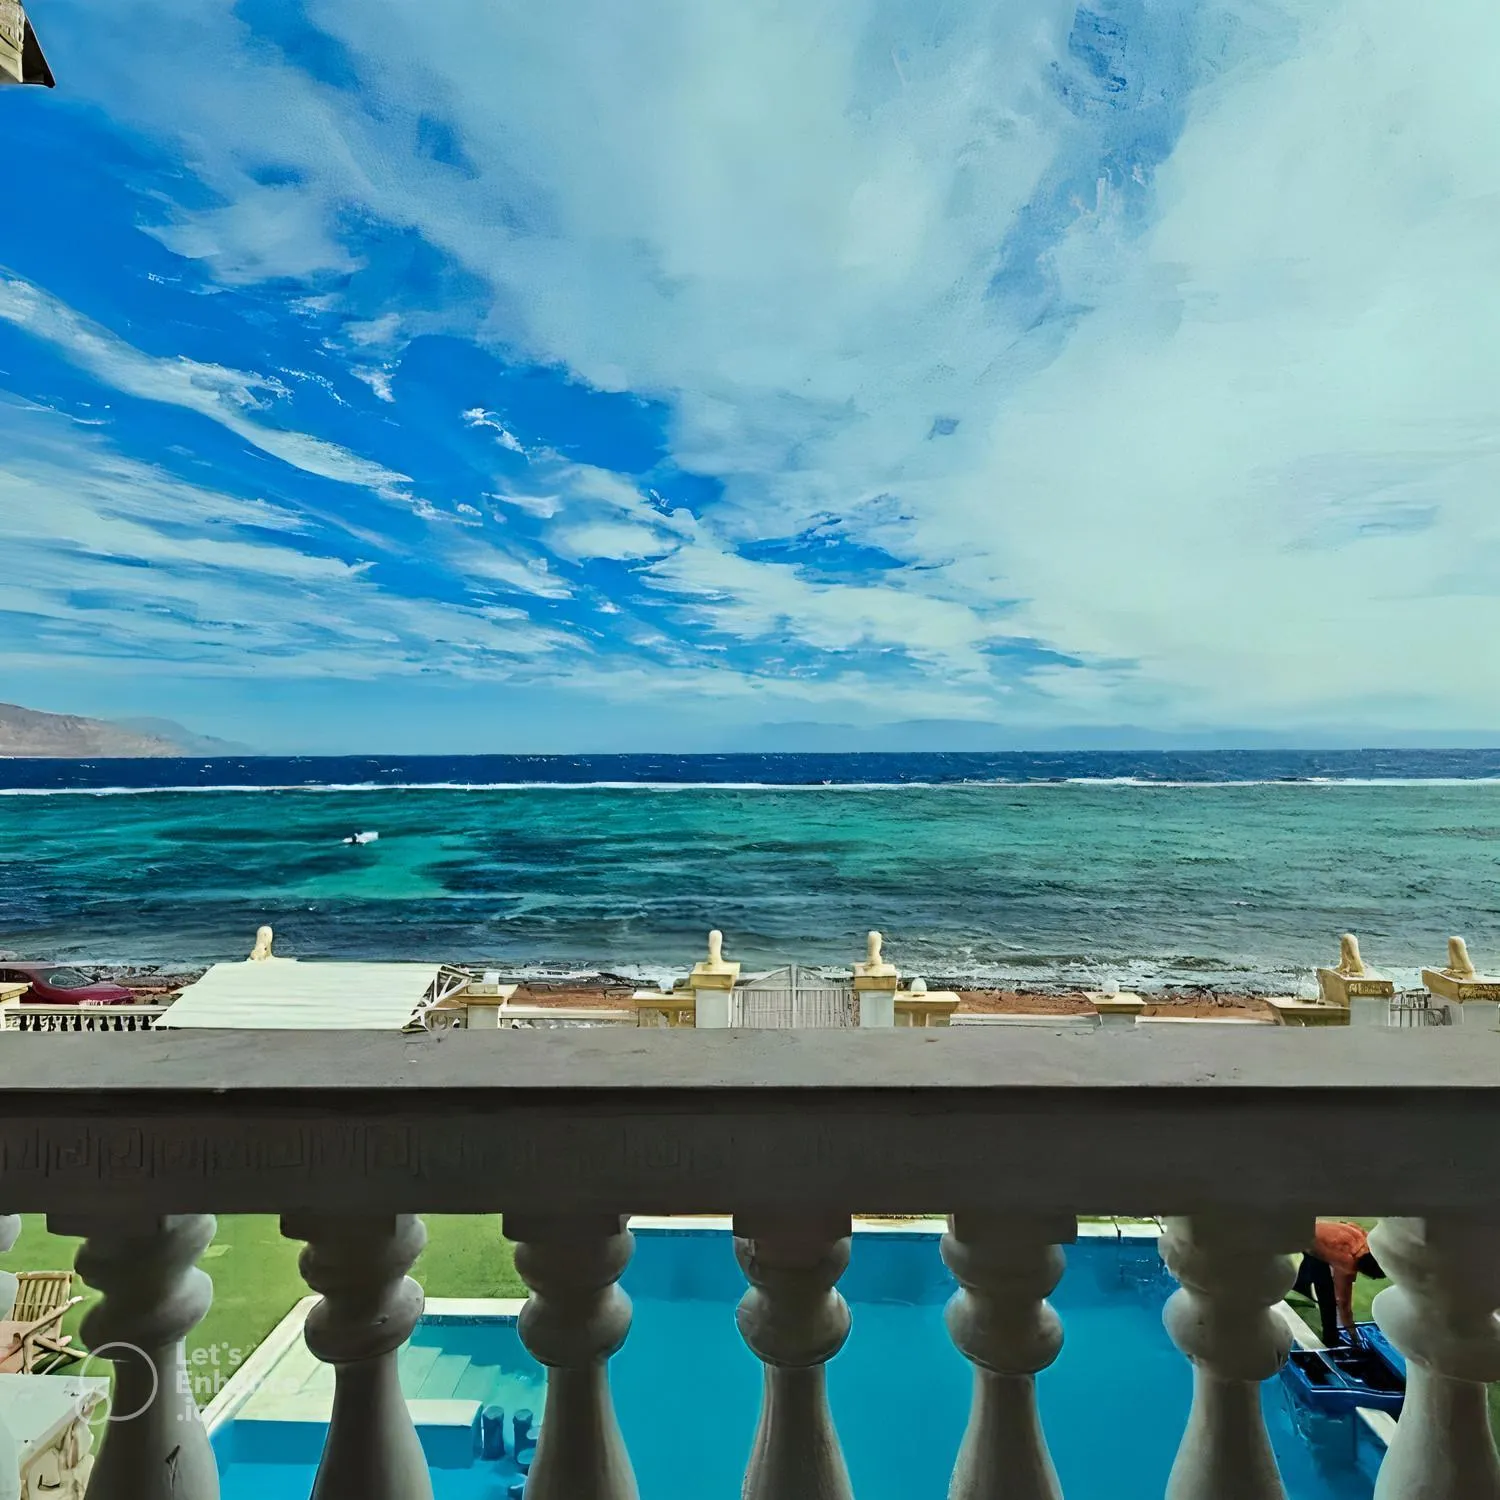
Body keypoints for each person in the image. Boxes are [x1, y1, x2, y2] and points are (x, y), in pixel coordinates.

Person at [1293, 1220, 1385, 1345]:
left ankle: (1299, 1289)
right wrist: (1353, 1333)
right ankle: (1330, 1341)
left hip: (1313, 1231)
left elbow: (1349, 1224)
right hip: (1303, 1239)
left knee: (1313, 1268)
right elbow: (1343, 1303)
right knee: (1327, 1297)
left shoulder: (1365, 1241)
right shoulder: (1346, 1263)